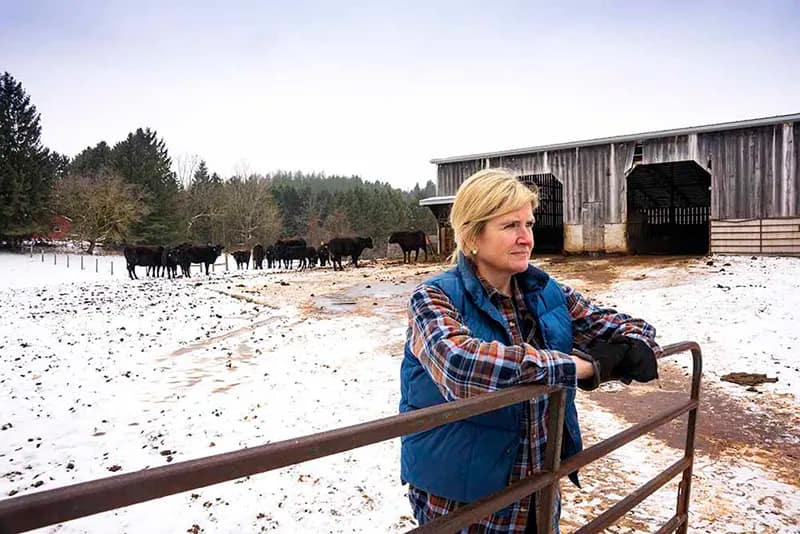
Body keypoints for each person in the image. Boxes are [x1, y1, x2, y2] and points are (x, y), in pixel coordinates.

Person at [399, 168, 660, 533]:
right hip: (465, 500)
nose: (526, 238)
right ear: (472, 235)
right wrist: (582, 367)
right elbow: (462, 366)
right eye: (510, 226)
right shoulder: (433, 297)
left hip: (538, 489)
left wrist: (627, 349)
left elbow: (632, 329)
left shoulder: (546, 293)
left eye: (530, 224)